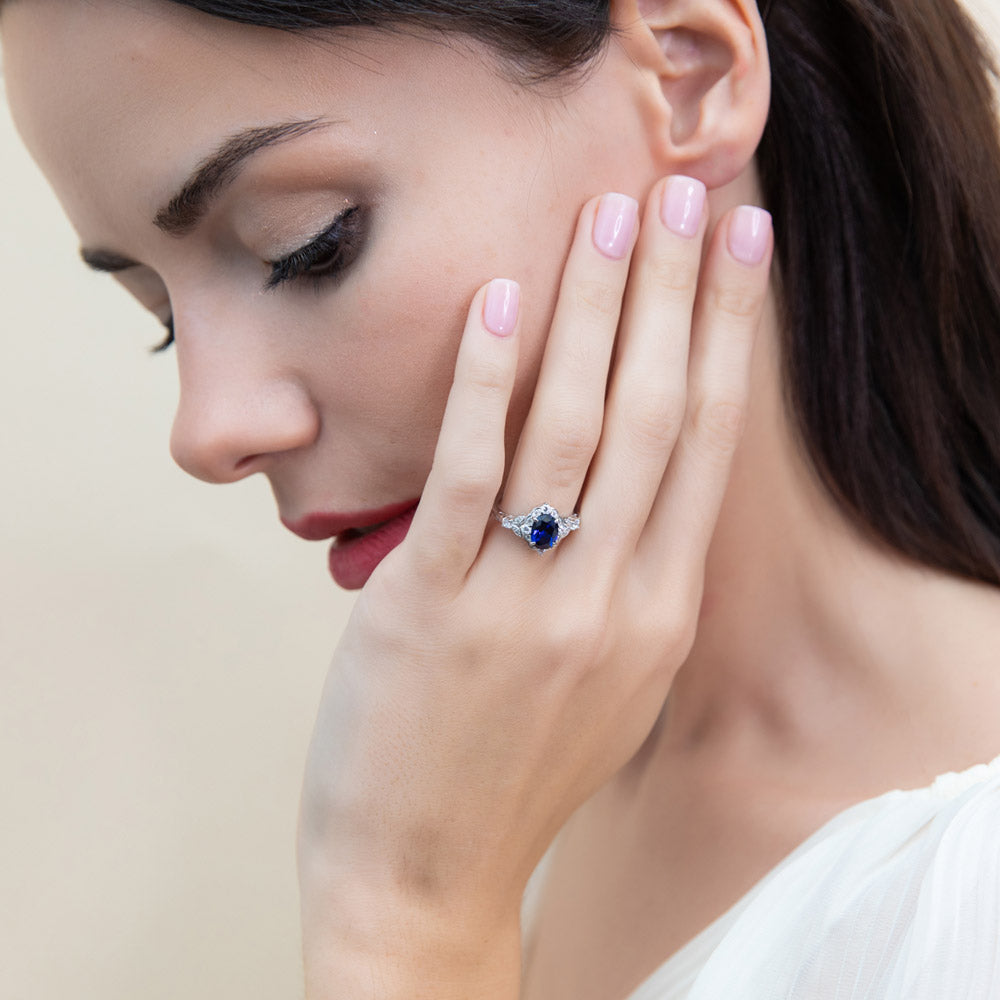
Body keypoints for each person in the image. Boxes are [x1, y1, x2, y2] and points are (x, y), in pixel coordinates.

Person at [2, 0, 1000, 997]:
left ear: (688, 76)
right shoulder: (523, 739)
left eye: (306, 246)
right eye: (162, 316)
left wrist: (403, 921)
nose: (207, 430)